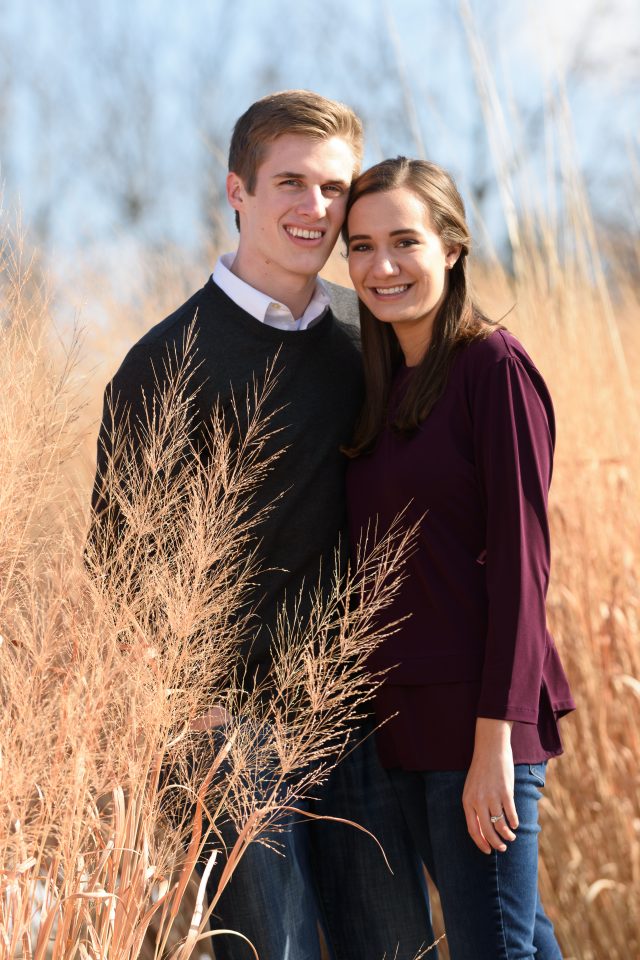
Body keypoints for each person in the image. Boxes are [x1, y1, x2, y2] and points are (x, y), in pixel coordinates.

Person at [90, 95, 433, 960]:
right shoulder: (164, 363)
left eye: (332, 187)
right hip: (230, 736)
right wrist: (197, 719)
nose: (313, 207)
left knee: (395, 949)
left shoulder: (372, 340)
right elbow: (121, 568)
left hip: (357, 716)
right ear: (237, 190)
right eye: (290, 181)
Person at [344, 156, 576, 960]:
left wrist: (496, 746)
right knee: (515, 938)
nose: (381, 266)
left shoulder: (492, 369)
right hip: (403, 728)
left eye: (403, 241)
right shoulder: (379, 386)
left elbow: (522, 569)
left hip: (477, 732)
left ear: (450, 246)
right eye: (361, 245)